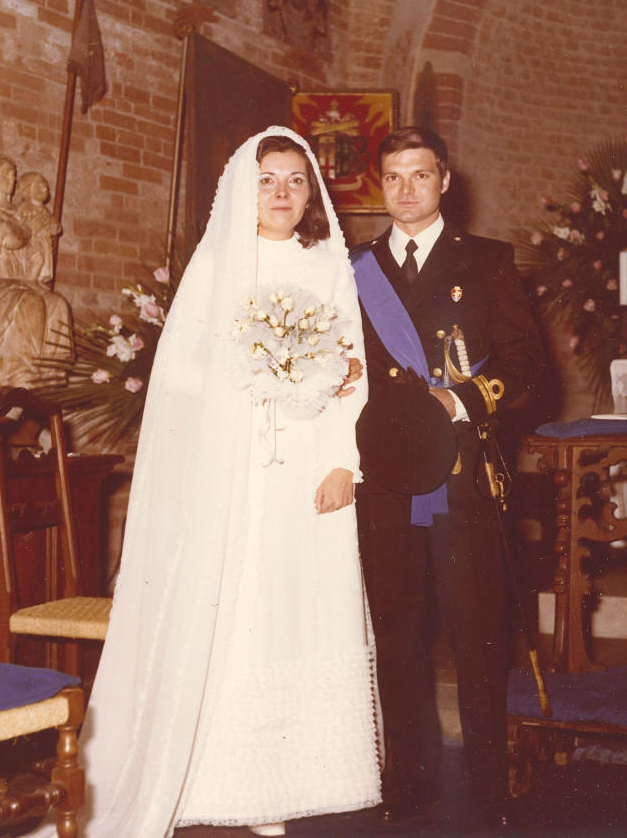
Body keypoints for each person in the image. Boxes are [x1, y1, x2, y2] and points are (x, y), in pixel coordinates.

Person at [34, 127, 380, 838]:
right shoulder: (218, 262)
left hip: (311, 465)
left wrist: (343, 462)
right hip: (235, 465)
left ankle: (301, 778)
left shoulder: (326, 264)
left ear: (311, 194)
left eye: (295, 180)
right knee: (240, 606)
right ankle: (224, 781)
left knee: (299, 607)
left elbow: (355, 372)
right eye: (267, 179)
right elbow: (183, 374)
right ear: (244, 190)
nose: (281, 192)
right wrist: (254, 371)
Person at [351, 127, 543, 826]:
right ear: (381, 184)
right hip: (387, 478)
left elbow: (526, 369)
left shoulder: (487, 260)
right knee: (397, 632)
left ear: (445, 181)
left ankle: (491, 782)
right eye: (394, 177)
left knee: (476, 634)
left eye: (420, 175)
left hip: (462, 479)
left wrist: (458, 400)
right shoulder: (356, 267)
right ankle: (410, 779)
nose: (406, 189)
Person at [0, 155, 71, 388]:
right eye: (5, 174)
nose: (12, 179)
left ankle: (52, 373)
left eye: (13, 174)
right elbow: (10, 237)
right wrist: (29, 229)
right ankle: (18, 373)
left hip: (19, 282)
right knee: (28, 302)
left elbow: (28, 247)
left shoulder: (16, 214)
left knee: (57, 304)